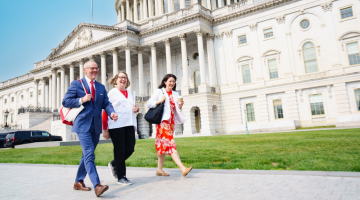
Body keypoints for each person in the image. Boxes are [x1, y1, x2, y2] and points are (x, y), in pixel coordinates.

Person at [62, 60, 118, 197]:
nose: (95, 70)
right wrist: (81, 100)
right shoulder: (76, 84)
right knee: (89, 153)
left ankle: (78, 181)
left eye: (96, 68)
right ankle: (97, 185)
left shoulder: (100, 87)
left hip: (96, 125)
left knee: (86, 155)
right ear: (85, 70)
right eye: (92, 68)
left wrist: (111, 112)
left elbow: (106, 103)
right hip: (82, 125)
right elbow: (65, 101)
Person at [147, 74, 192, 177]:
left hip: (171, 123)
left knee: (163, 145)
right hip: (162, 123)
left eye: (173, 81)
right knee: (171, 144)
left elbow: (175, 110)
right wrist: (160, 101)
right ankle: (182, 168)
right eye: (170, 81)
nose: (172, 83)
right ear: (165, 82)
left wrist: (180, 106)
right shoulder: (160, 92)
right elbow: (149, 103)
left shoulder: (176, 94)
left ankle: (159, 169)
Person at [102, 71, 139, 185]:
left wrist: (136, 109)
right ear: (116, 79)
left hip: (129, 124)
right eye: (121, 77)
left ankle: (114, 164)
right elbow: (105, 109)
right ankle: (121, 176)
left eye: (125, 77)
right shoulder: (112, 93)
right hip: (116, 125)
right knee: (120, 149)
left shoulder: (129, 92)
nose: (123, 79)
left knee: (130, 148)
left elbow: (132, 106)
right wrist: (105, 129)